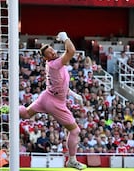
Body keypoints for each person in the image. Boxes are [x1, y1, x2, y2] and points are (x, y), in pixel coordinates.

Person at [19, 32, 87, 170]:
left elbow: (62, 85)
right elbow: (72, 50)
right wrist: (65, 38)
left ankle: (11, 108)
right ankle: (72, 160)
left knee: (26, 114)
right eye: (49, 52)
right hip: (55, 102)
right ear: (45, 58)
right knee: (75, 131)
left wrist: (73, 94)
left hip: (46, 96)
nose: (53, 52)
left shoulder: (54, 65)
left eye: (52, 50)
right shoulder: (55, 64)